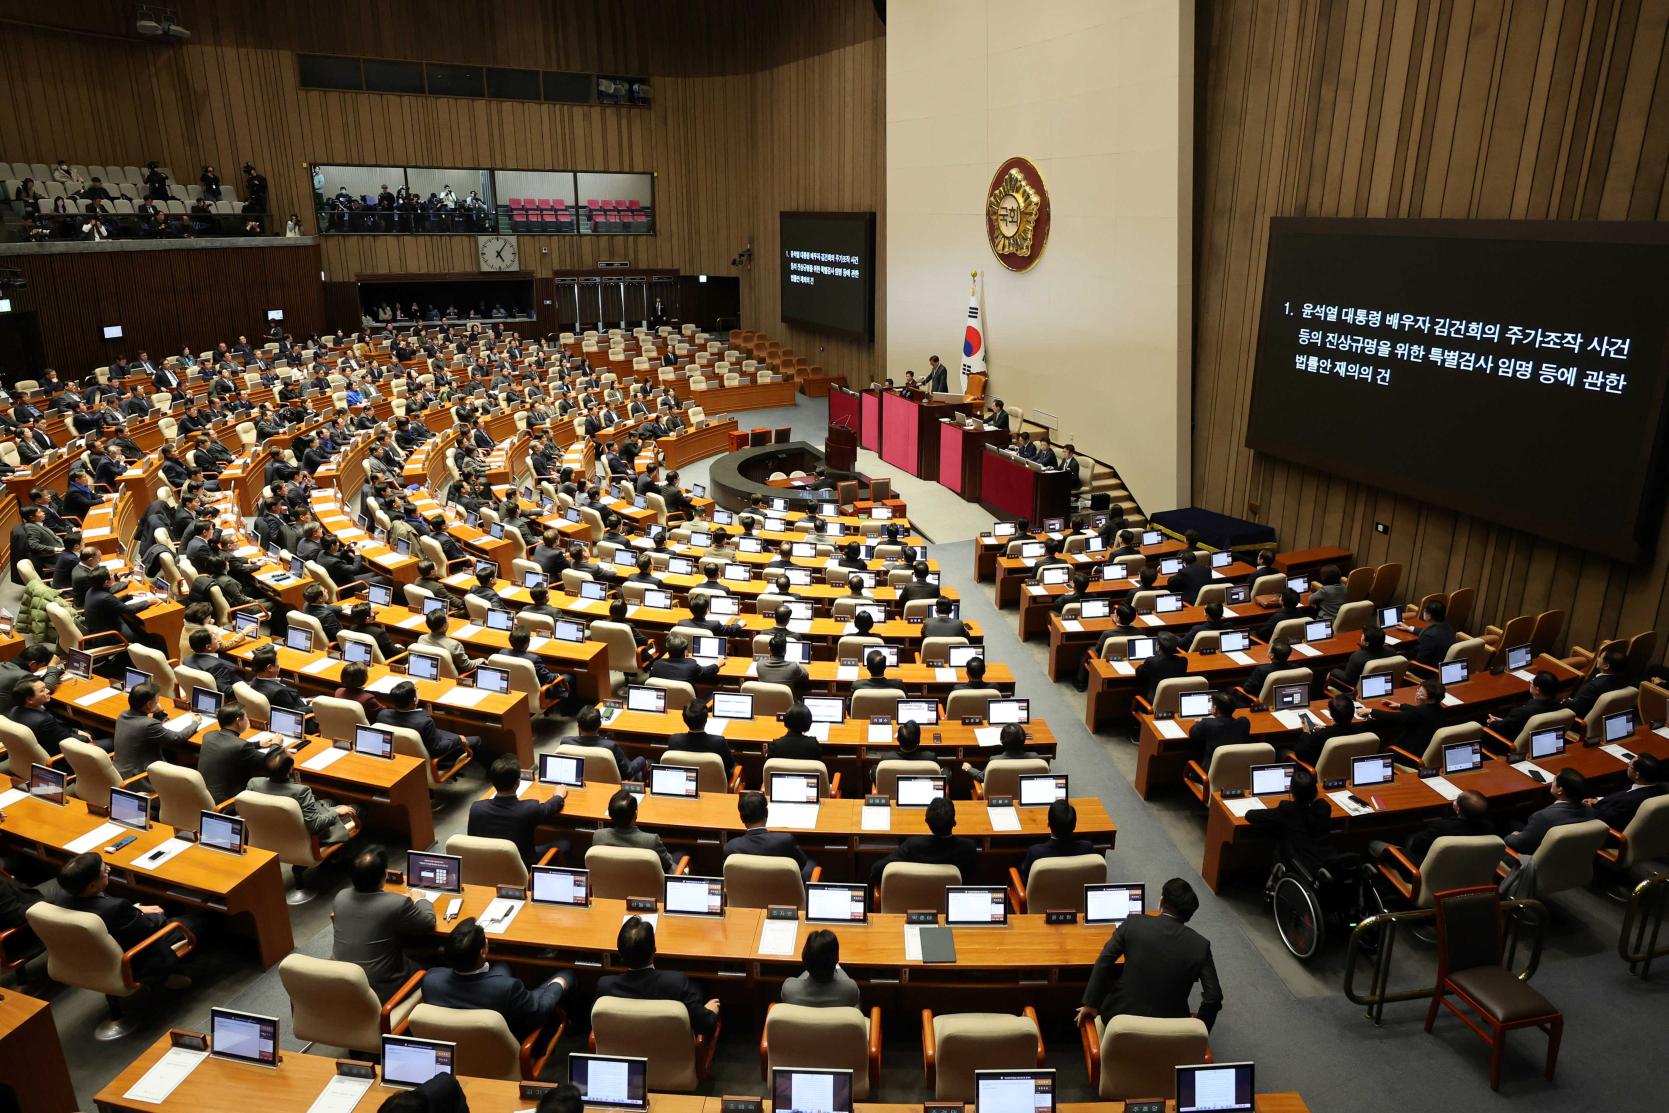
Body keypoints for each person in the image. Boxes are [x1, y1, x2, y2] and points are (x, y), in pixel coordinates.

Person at [1076, 877, 1222, 1031]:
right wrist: (1200, 1031)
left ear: (1161, 901)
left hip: (1120, 1018)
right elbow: (1214, 997)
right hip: (1172, 1027)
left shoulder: (1133, 923)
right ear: (1189, 914)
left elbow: (1104, 962)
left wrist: (1091, 1003)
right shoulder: (1200, 945)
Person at [55, 852, 199, 988]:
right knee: (200, 919)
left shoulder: (63, 897)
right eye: (104, 871)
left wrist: (136, 910)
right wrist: (149, 913)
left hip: (100, 953)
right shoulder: (115, 907)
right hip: (140, 955)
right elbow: (149, 926)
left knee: (172, 905)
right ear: (92, 886)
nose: (109, 869)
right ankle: (167, 974)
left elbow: (107, 911)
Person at [422, 917, 573, 1039]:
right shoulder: (507, 989)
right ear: (483, 952)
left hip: (456, 1043)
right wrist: (558, 983)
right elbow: (539, 1010)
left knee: (503, 965)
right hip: (508, 1044)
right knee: (567, 974)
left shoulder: (431, 980)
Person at [332, 845, 437, 1001]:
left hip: (341, 982)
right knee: (436, 964)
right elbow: (428, 923)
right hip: (382, 990)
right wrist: (420, 899)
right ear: (385, 875)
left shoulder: (340, 897)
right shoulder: (397, 904)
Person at [596, 916, 719, 1034]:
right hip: (669, 1046)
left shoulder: (605, 986)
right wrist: (709, 1011)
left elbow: (597, 1021)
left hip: (624, 1045)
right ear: (654, 950)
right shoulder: (677, 983)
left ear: (620, 954)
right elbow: (706, 1026)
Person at [468, 755, 569, 866]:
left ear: (492, 782)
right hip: (523, 864)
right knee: (564, 844)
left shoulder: (476, 808)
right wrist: (559, 795)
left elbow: (472, 842)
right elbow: (550, 807)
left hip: (488, 863)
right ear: (517, 783)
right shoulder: (529, 809)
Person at [869, 796, 977, 890]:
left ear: (927, 822)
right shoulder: (969, 848)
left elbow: (876, 870)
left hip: (911, 899)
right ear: (954, 823)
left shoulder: (912, 846)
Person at [1245, 767, 1332, 875]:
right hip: (1324, 863)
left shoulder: (1288, 810)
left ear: (1291, 790)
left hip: (1300, 867)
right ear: (1315, 790)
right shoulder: (1324, 808)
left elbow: (1250, 815)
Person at [1371, 790, 1493, 866]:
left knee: (1374, 844)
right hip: (1465, 871)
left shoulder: (1442, 827)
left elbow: (1415, 846)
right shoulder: (1489, 828)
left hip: (1424, 870)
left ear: (1458, 809)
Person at [377, 680, 477, 768]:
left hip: (401, 757)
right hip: (431, 759)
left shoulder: (382, 715)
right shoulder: (425, 722)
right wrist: (458, 739)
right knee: (477, 740)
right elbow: (436, 750)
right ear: (414, 700)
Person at [113, 683, 203, 778]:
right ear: (149, 704)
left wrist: (158, 712)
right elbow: (176, 738)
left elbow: (149, 731)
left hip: (120, 772)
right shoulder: (148, 725)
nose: (158, 702)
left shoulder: (122, 715)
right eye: (157, 700)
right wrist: (195, 722)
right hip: (139, 778)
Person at [723, 790, 813, 879]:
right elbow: (802, 864)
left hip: (749, 888)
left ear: (741, 818)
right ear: (767, 813)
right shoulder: (785, 841)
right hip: (782, 887)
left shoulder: (731, 848)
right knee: (812, 862)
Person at [1505, 768, 1594, 853]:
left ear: (1560, 790)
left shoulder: (1543, 817)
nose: (1552, 782)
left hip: (1535, 858)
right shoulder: (1589, 810)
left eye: (1554, 780)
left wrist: (1511, 837)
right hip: (1572, 856)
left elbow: (1521, 844)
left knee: (1506, 822)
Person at [10, 676, 101, 756]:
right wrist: (85, 738)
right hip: (66, 756)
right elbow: (71, 742)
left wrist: (75, 731)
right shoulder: (43, 721)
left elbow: (57, 730)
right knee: (106, 736)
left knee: (93, 729)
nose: (48, 691)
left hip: (53, 741)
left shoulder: (15, 711)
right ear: (29, 699)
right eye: (42, 690)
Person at [593, 789, 676, 871]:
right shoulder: (652, 841)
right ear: (635, 815)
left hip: (611, 879)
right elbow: (667, 865)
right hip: (645, 879)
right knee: (681, 853)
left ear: (610, 814)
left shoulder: (598, 836)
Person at [197, 703, 266, 802]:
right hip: (227, 803)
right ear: (238, 721)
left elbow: (230, 746)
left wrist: (258, 744)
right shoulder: (241, 746)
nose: (248, 720)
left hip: (203, 796)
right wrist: (276, 745)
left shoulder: (208, 736)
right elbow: (269, 760)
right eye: (246, 717)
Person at [1017, 799, 1097, 882]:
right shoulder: (1088, 848)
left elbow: (1025, 879)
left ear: (1048, 823)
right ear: (1074, 826)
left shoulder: (1035, 853)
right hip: (1077, 890)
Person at [781, 928, 861, 1008]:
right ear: (836, 959)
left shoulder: (789, 989)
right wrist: (837, 967)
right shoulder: (850, 990)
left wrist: (814, 961)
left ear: (805, 959)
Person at [1368, 678, 1445, 758]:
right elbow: (1416, 710)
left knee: (1382, 737)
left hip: (1409, 755)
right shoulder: (1439, 709)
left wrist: (1371, 711)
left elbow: (1394, 717)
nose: (1417, 695)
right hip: (1423, 747)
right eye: (1418, 690)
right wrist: (1400, 706)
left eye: (1421, 694)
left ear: (1431, 700)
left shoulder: (1418, 713)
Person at [1586, 754, 1665, 829]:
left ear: (1637, 775)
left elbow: (1602, 820)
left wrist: (1588, 808)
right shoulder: (1660, 789)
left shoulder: (1627, 802)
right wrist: (1600, 801)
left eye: (1630, 765)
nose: (1628, 764)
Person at [1486, 671, 1563, 747]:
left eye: (1532, 682)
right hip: (1546, 743)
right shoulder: (1560, 707)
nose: (1530, 683)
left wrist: (1493, 723)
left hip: (1511, 746)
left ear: (1537, 690)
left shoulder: (1521, 712)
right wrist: (1504, 721)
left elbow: (1502, 729)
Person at [1187, 692, 1252, 769]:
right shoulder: (1244, 722)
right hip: (1237, 769)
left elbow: (1192, 733)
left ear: (1214, 709)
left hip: (1211, 772)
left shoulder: (1207, 723)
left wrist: (1202, 721)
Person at [667, 702, 735, 776]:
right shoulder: (719, 742)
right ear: (706, 720)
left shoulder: (674, 740)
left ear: (684, 720)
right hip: (714, 781)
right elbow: (730, 765)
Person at [960, 722, 1040, 782]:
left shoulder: (995, 761)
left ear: (1002, 740)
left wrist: (969, 769)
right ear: (1024, 740)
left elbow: (982, 777)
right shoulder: (1035, 758)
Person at [1564, 645, 1629, 718]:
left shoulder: (1593, 687)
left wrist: (1562, 702)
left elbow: (1575, 709)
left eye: (1600, 657)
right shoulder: (1624, 681)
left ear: (1606, 666)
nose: (1597, 659)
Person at [1328, 627, 1394, 690]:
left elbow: (1348, 680)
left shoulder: (1357, 657)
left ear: (1367, 643)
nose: (1361, 637)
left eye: (1363, 636)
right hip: (1386, 686)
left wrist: (1333, 671)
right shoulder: (1392, 653)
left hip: (1359, 690)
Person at [249, 645, 309, 713]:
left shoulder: (254, 681)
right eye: (277, 663)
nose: (279, 666)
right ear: (270, 668)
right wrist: (312, 707)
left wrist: (304, 700)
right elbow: (294, 713)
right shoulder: (280, 692)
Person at [1134, 632, 1188, 702]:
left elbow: (1139, 674)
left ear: (1158, 647)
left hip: (1155, 700)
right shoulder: (1183, 661)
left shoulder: (1152, 661)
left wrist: (1143, 664)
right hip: (1176, 698)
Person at [648, 632, 717, 685]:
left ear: (667, 651)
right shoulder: (691, 665)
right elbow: (705, 671)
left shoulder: (656, 664)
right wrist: (717, 664)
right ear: (685, 651)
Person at [1405, 599, 1456, 668]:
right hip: (1441, 664)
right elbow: (1433, 633)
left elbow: (1419, 663)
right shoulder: (1447, 627)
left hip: (1428, 670)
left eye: (1424, 611)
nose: (1423, 612)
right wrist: (1410, 628)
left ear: (1429, 616)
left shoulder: (1429, 636)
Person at [755, 629, 809, 695]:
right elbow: (806, 676)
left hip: (765, 700)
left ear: (769, 650)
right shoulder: (793, 666)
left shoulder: (759, 665)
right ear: (785, 651)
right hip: (788, 701)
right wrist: (798, 665)